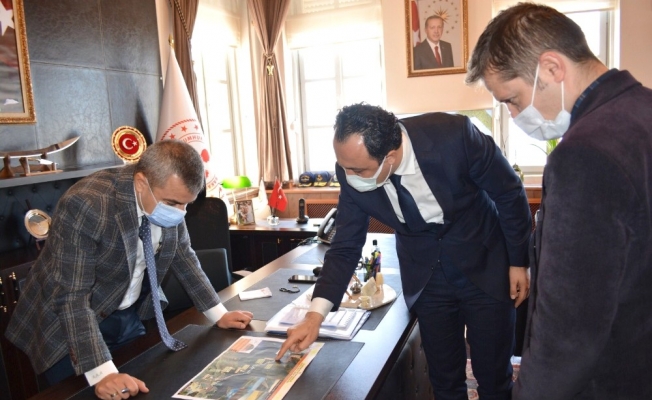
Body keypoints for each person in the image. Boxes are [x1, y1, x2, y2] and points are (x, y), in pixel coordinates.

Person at [277, 103, 532, 399]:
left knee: (494, 377)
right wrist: (314, 316)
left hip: (484, 259)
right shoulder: (350, 167)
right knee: (445, 380)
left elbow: (509, 193)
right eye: (344, 167)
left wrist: (519, 261)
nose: (348, 175)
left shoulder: (455, 136)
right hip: (426, 275)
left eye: (357, 170)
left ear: (390, 157)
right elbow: (345, 244)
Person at [466, 3, 652, 399]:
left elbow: (570, 325)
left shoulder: (584, 154)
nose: (514, 114)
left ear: (551, 68)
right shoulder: (642, 108)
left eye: (512, 99)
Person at [5, 140, 254, 399]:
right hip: (66, 324)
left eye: (186, 204)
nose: (180, 213)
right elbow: (71, 296)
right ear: (141, 183)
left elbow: (184, 257)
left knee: (143, 386)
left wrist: (218, 314)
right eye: (173, 203)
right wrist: (102, 374)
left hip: (125, 313)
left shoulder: (169, 200)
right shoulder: (87, 204)